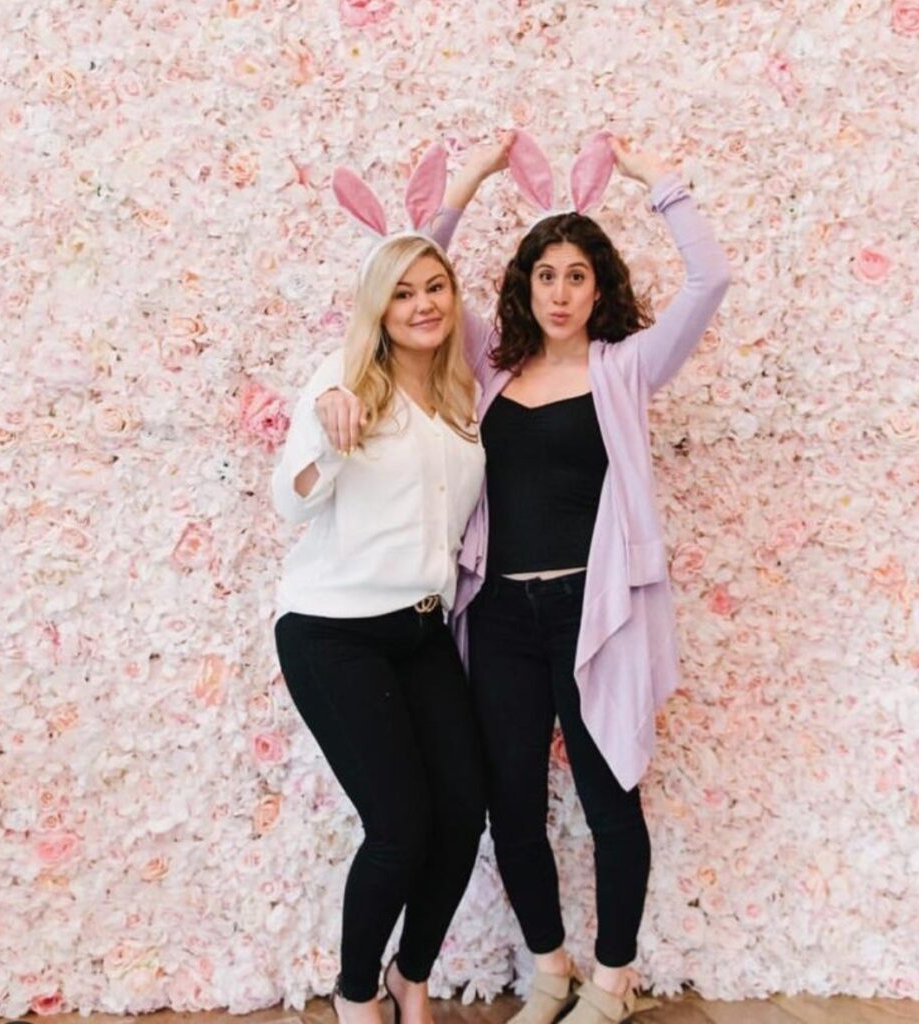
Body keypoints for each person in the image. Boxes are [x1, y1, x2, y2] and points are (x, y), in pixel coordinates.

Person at [318, 131, 730, 1024]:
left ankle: (613, 982)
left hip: (595, 611)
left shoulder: (627, 368)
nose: (559, 292)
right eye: (545, 276)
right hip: (501, 615)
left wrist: (658, 181)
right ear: (523, 286)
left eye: (576, 276)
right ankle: (550, 967)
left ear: (599, 287)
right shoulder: (491, 368)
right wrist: (469, 179)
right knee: (507, 803)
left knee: (606, 794)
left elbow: (709, 283)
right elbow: (420, 267)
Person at [272, 172, 489, 1024]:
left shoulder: (457, 391)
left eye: (434, 287)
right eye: (401, 292)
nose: (423, 304)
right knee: (399, 826)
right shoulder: (342, 379)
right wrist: (327, 441)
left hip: (422, 631)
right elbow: (289, 503)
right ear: (378, 306)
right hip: (334, 633)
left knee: (462, 815)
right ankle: (354, 989)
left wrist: (470, 177)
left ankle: (411, 974)